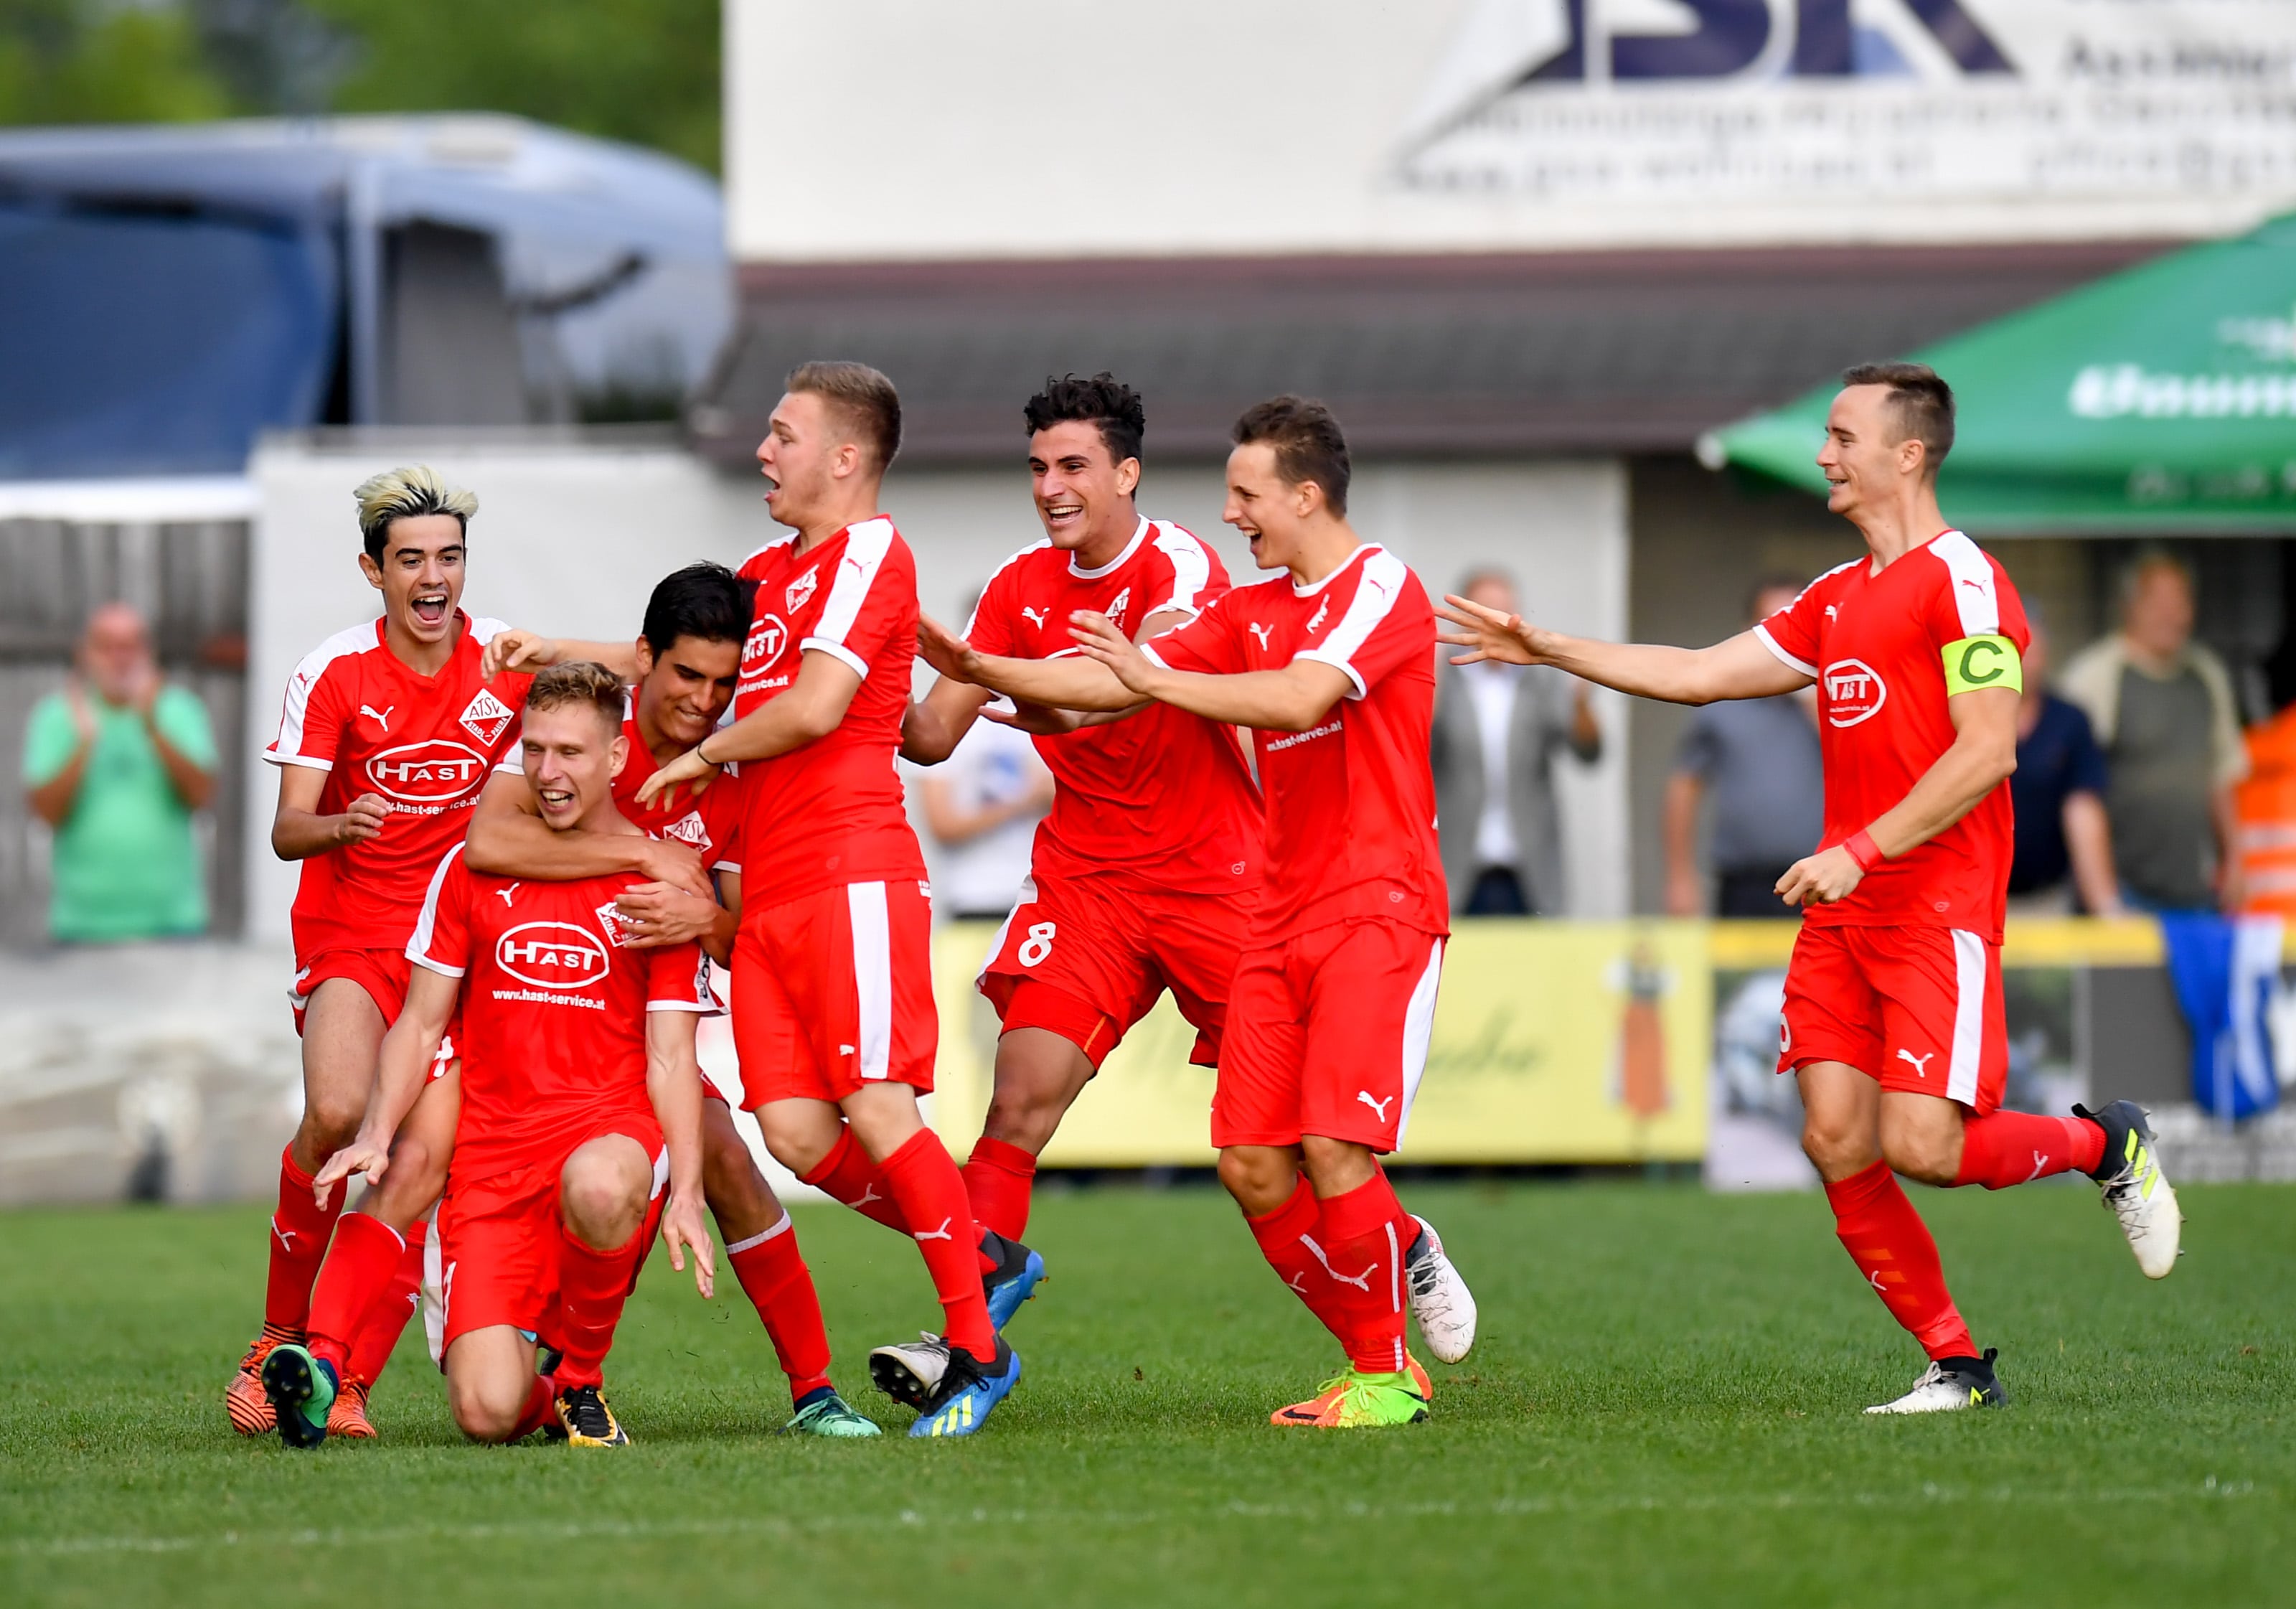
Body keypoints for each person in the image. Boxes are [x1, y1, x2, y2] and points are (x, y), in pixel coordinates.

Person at [1437, 362, 2180, 1413]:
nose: (1825, 454)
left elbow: (1987, 753)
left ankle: (2106, 1142)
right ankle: (1958, 1363)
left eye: (1842, 436)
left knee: (1923, 1145)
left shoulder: (1966, 579)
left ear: (1908, 454)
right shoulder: (1835, 596)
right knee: (1834, 1136)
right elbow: (1697, 671)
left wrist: (1862, 848)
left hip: (1934, 909)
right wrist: (1544, 645)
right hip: (1846, 915)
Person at [918, 395, 1478, 1430]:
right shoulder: (1210, 600)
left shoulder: (1339, 583)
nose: (1230, 515)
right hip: (1139, 891)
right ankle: (970, 1338)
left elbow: (1288, 695)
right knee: (1224, 1154)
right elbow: (1075, 695)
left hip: (1292, 892)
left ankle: (1391, 1321)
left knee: (1328, 1146)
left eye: (1246, 495)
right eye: (1038, 465)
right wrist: (957, 666)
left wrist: (1137, 672)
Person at [292, 563, 878, 1441]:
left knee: (715, 1156)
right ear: (647, 667)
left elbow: (731, 948)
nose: (702, 700)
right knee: (403, 1161)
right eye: (686, 676)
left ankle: (796, 1386)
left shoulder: (736, 771)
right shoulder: (579, 748)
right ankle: (334, 1368)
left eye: (724, 683)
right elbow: (486, 843)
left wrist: (701, 912)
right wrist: (642, 857)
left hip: (617, 1081)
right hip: (499, 1073)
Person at [610, 361, 1021, 1439]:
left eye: (783, 433)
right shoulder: (760, 569)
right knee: (794, 1134)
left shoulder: (874, 550)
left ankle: (976, 1352)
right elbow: (672, 666)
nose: (764, 450)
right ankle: (984, 1251)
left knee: (882, 1112)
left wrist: (701, 763)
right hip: (770, 896)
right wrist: (546, 653)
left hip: (851, 874)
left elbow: (819, 704)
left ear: (846, 456)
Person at [881, 372, 1270, 1406]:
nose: (1051, 487)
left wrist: (992, 667)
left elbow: (1119, 690)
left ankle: (1400, 1248)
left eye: (1073, 467)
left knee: (1286, 1131)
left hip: (1211, 875)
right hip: (1088, 882)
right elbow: (928, 737)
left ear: (1127, 473)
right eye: (1039, 468)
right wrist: (849, 665)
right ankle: (970, 1332)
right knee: (1017, 1099)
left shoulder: (1181, 565)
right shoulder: (1019, 582)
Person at [264, 663, 718, 1449]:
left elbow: (672, 1057)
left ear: (614, 759)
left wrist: (686, 1191)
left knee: (604, 1181)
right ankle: (533, 1393)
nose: (548, 772)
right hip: (494, 1167)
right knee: (485, 1412)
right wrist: (376, 1129)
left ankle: (580, 1380)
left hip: (602, 1136)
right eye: (534, 750)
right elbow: (418, 1022)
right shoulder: (470, 869)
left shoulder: (662, 889)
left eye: (571, 752)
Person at [226, 467, 541, 1440]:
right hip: (354, 930)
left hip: (453, 950)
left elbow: (561, 773)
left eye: (449, 556)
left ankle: (339, 1372)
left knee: (419, 1164)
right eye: (412, 559)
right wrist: (340, 824)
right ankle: (275, 1335)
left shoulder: (505, 664)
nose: (434, 576)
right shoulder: (335, 672)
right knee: (331, 1111)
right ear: (374, 570)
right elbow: (286, 830)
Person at [2060, 551, 2248, 914]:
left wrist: (2236, 861)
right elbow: (2077, 795)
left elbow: (2221, 777)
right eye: (2160, 603)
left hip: (2198, 890)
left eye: (2181, 603)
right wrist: (2103, 895)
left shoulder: (2207, 676)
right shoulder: (2096, 676)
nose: (2172, 615)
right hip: (2123, 893)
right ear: (2130, 606)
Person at [23, 602, 217, 942]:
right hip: (81, 928)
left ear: (149, 652)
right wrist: (83, 744)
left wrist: (151, 724)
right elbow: (45, 813)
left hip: (172, 923)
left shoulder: (181, 710)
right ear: (85, 654)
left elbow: (201, 796)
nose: (119, 658)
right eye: (106, 646)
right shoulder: (56, 716)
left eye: (129, 646)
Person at [1430, 568, 1600, 916]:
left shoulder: (1538, 679)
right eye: (1486, 609)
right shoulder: (1443, 679)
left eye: (1506, 612)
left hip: (1529, 869)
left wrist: (1582, 705)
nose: (1498, 622)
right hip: (1456, 866)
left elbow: (1588, 753)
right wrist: (1430, 674)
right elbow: (1415, 748)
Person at [1663, 578, 1825, 919]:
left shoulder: (1840, 699)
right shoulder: (1724, 699)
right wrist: (1680, 877)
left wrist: (1815, 701)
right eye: (1772, 626)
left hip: (1822, 880)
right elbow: (1684, 786)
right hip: (1743, 883)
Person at [918, 664, 1054, 920]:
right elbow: (943, 825)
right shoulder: (942, 723)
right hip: (973, 897)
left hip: (1042, 895)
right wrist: (1025, 800)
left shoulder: (1054, 713)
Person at [2008, 614, 2123, 916]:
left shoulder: (2068, 722)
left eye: (2030, 650)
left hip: (2048, 902)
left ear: (2046, 655)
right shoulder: (1964, 719)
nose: (2023, 661)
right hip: (1971, 903)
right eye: (2012, 650)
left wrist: (2105, 906)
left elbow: (2083, 811)